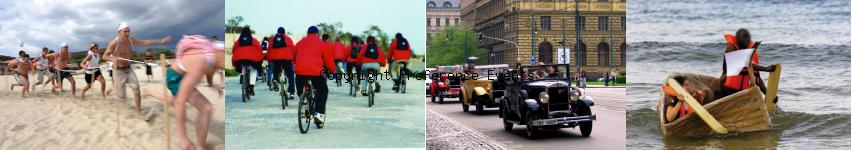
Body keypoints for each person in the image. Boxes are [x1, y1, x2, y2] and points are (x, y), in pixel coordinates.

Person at [144, 35, 224, 150]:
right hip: (175, 77)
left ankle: (149, 92)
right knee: (205, 108)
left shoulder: (212, 58)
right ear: (219, 53)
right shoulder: (201, 60)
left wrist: (212, 86)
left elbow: (210, 72)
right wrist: (183, 138)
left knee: (174, 101)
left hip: (180, 74)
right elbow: (180, 102)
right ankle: (200, 146)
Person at [103, 22, 172, 114]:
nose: (128, 33)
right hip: (118, 72)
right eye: (125, 32)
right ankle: (112, 87)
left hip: (128, 69)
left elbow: (145, 42)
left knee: (136, 90)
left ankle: (138, 111)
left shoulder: (131, 40)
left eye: (129, 31)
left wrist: (161, 41)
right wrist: (112, 59)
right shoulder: (114, 43)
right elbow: (104, 56)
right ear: (119, 32)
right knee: (122, 96)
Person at [293, 26, 336, 125]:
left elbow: (294, 58)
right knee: (322, 91)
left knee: (300, 91)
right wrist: (332, 71)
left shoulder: (300, 43)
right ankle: (319, 114)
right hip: (316, 73)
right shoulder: (322, 44)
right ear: (317, 34)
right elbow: (328, 61)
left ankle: (303, 104)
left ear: (307, 33)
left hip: (300, 72)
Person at [717, 28, 777, 99]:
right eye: (743, 37)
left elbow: (757, 77)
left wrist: (769, 95)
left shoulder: (751, 54)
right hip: (727, 90)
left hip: (744, 93)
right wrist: (765, 69)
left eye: (747, 38)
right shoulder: (731, 49)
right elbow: (744, 64)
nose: (746, 40)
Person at [231, 26, 264, 96]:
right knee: (253, 70)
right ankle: (251, 88)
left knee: (242, 66)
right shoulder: (254, 40)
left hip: (239, 59)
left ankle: (243, 79)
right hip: (251, 60)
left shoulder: (238, 41)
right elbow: (259, 49)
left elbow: (233, 50)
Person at [267, 27, 296, 97]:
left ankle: (275, 79)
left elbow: (269, 50)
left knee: (275, 69)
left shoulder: (273, 39)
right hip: (287, 59)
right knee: (290, 74)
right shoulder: (288, 39)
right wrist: (293, 60)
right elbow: (293, 49)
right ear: (284, 32)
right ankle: (291, 92)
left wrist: (269, 60)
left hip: (276, 59)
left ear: (277, 32)